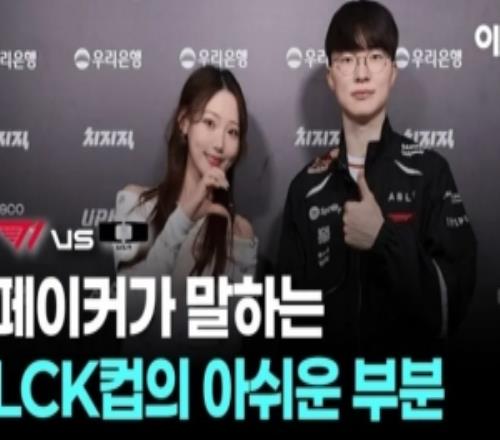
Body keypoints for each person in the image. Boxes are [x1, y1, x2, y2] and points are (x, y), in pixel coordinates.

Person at [277, 0, 476, 354]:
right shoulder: (305, 188)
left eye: (375, 57)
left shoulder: (429, 173)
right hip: (323, 386)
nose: (362, 73)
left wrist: (384, 239)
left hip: (406, 384)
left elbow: (451, 307)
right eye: (347, 59)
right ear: (330, 77)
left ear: (393, 72)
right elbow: (287, 325)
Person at [113, 65, 258, 356]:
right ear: (184, 123)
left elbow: (232, 343)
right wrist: (184, 217)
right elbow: (131, 312)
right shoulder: (132, 204)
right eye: (209, 123)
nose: (219, 143)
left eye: (232, 131)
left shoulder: (239, 231)